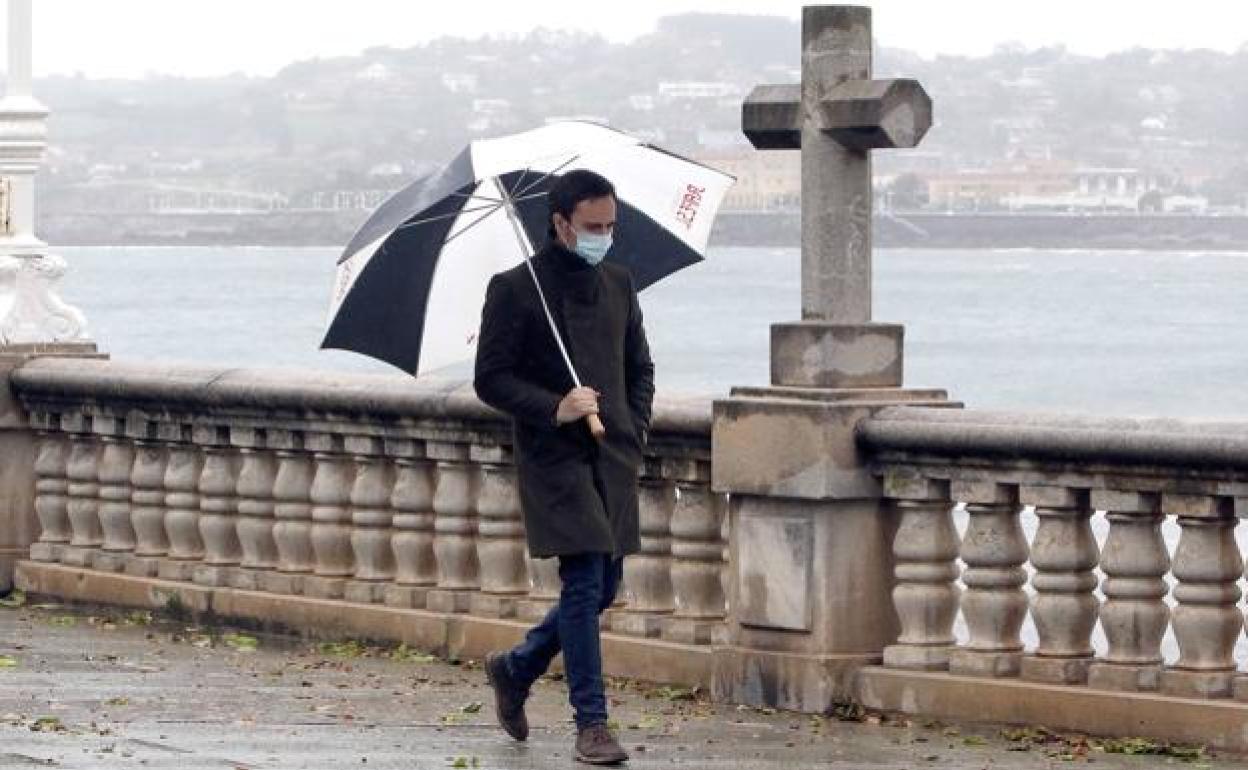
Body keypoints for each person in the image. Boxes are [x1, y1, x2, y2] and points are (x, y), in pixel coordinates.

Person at [473, 169, 654, 765]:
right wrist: (555, 406)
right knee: (581, 583)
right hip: (554, 457)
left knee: (605, 587)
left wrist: (635, 426)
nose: (604, 235)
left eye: (610, 226)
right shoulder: (515, 289)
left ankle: (517, 666)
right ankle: (592, 724)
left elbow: (639, 367)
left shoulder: (621, 283)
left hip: (613, 454)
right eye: (592, 226)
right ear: (560, 224)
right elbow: (490, 379)